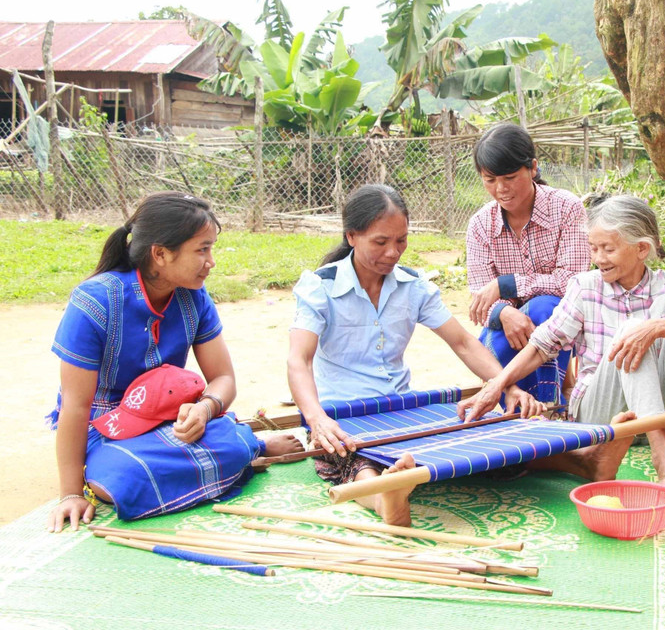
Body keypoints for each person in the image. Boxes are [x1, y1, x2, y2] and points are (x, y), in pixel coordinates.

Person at [287, 184, 541, 527]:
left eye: (401, 241)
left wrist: (504, 386)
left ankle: (581, 459)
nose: (393, 252)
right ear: (351, 236)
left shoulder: (413, 286)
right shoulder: (320, 288)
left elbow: (463, 342)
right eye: (380, 242)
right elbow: (298, 360)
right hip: (342, 414)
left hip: (401, 409)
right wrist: (318, 420)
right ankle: (384, 498)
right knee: (353, 459)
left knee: (485, 436)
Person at [48, 192, 302, 532]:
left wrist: (204, 410)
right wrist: (68, 494)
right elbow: (75, 407)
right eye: (202, 249)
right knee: (117, 481)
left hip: (170, 417)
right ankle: (248, 450)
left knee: (223, 439)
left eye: (211, 248)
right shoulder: (94, 302)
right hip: (105, 424)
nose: (211, 261)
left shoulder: (194, 297)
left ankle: (245, 447)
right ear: (160, 254)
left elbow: (223, 379)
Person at [459, 195, 665, 494]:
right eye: (594, 248)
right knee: (633, 330)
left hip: (662, 412)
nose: (599, 258)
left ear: (641, 249)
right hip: (602, 416)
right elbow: (541, 346)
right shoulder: (585, 287)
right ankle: (662, 455)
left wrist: (659, 327)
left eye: (608, 249)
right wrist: (495, 385)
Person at [466, 123, 590, 404]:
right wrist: (506, 314)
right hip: (508, 331)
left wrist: (505, 284)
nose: (501, 189)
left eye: (510, 177)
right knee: (495, 339)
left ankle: (548, 406)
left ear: (532, 168)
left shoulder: (567, 208)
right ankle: (530, 405)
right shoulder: (480, 226)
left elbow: (572, 283)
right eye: (490, 180)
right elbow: (479, 301)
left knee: (546, 307)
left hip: (559, 323)